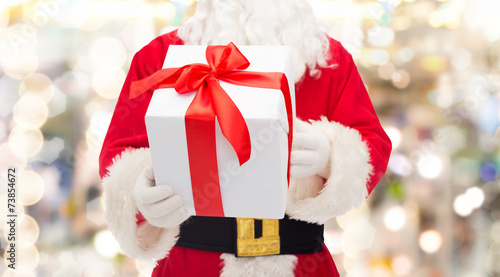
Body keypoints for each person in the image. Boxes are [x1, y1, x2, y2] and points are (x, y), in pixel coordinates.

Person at [99, 0, 392, 276]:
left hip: (302, 263)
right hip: (192, 263)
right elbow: (120, 152)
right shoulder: (158, 57)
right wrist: (139, 191)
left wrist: (331, 156)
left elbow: (371, 144)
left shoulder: (329, 61)